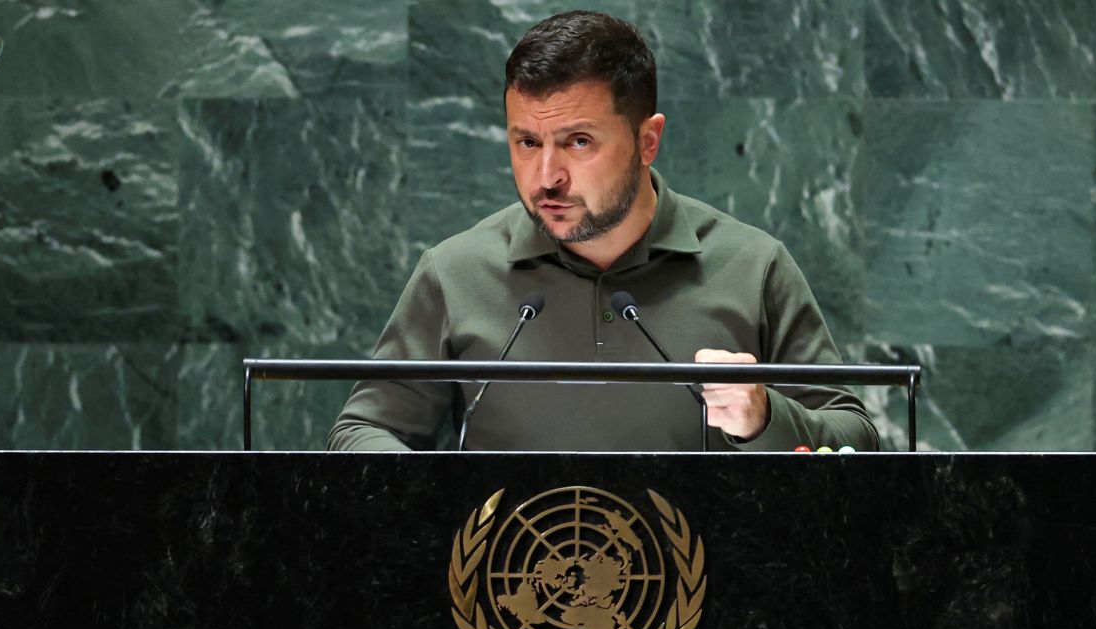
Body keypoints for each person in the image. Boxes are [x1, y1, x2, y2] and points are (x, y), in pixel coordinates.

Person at [329, 10, 877, 452]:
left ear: (647, 140)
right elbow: (362, 432)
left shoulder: (754, 266)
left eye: (579, 142)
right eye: (526, 142)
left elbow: (856, 438)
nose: (547, 177)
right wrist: (426, 496)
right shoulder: (455, 272)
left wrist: (764, 419)